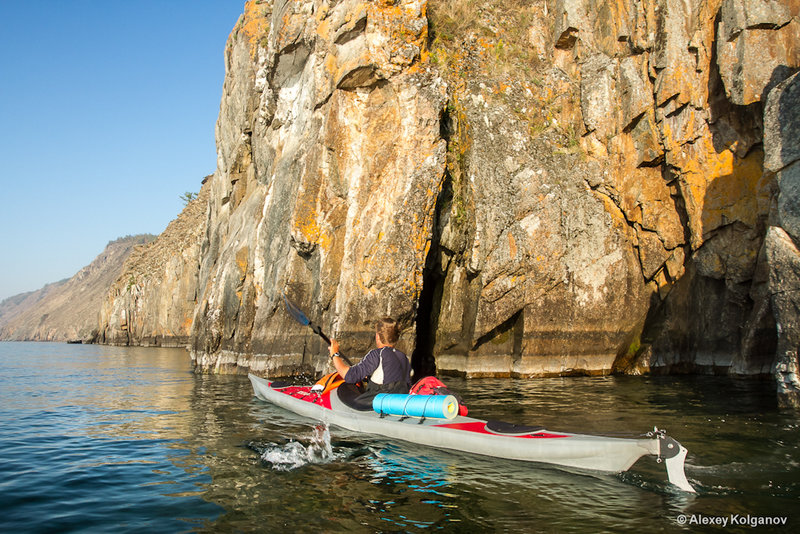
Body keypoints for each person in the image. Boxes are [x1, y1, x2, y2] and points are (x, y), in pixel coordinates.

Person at [328, 317, 412, 395]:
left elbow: (350, 376)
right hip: (398, 404)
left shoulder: (377, 354)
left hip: (377, 405)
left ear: (377, 336)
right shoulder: (403, 358)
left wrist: (334, 354)